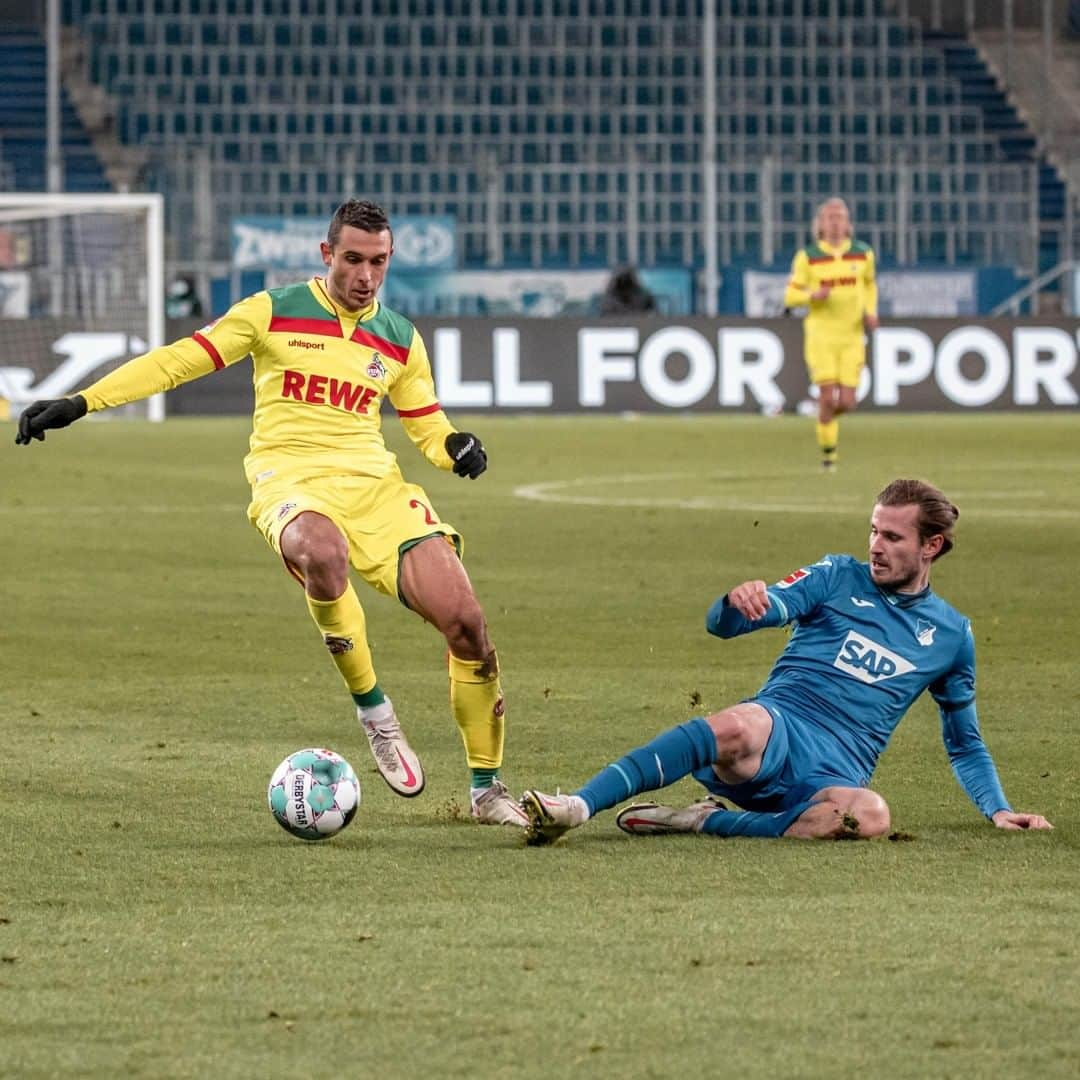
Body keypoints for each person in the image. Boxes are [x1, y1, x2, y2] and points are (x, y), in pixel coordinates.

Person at [16, 198, 528, 828]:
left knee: (470, 625)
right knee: (322, 552)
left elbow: (424, 421)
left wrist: (454, 449)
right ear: (326, 255)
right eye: (353, 260)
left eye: (379, 262)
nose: (366, 276)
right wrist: (83, 400)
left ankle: (487, 790)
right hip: (289, 478)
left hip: (376, 490)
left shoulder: (398, 337)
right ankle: (375, 712)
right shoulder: (272, 311)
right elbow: (179, 360)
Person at [521, 478, 1052, 844]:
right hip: (777, 731)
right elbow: (734, 621)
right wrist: (736, 606)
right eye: (873, 530)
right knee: (742, 722)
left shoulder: (952, 636)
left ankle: (699, 824)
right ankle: (580, 807)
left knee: (869, 815)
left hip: (830, 775)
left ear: (931, 546)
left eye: (892, 537)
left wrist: (999, 809)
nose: (875, 546)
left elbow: (965, 743)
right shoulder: (835, 575)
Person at [783, 197, 878, 471]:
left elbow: (870, 285)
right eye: (830, 217)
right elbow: (790, 295)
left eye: (840, 217)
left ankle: (823, 420)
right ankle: (829, 456)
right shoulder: (809, 257)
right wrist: (813, 295)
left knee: (847, 402)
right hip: (821, 336)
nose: (836, 222)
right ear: (820, 224)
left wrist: (870, 311)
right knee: (827, 397)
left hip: (852, 336)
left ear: (848, 224)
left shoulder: (863, 254)